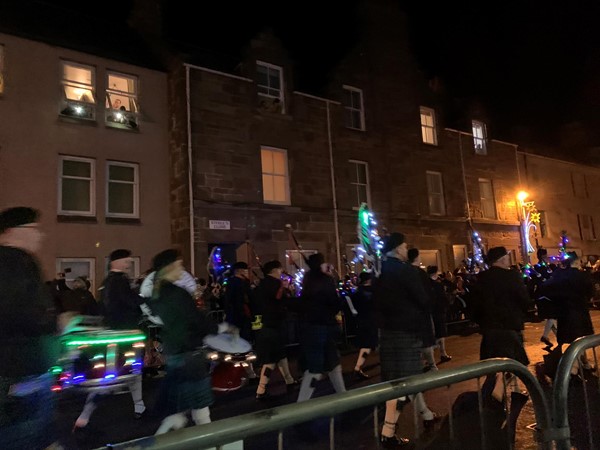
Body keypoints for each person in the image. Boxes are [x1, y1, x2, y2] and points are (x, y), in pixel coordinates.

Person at [0, 207, 60, 449]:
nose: (40, 235)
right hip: (21, 369)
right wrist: (56, 321)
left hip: (19, 368)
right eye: (34, 229)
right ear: (12, 232)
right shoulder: (14, 263)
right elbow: (21, 312)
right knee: (25, 433)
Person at [374, 233, 437, 448]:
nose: (405, 248)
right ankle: (387, 431)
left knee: (399, 382)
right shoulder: (407, 272)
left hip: (387, 333)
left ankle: (421, 416)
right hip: (407, 332)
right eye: (404, 245)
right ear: (398, 249)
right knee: (407, 383)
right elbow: (424, 300)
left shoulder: (380, 272)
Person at [73, 248, 147, 432]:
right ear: (116, 262)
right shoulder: (120, 282)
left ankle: (139, 407)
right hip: (125, 335)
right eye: (126, 261)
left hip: (112, 334)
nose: (129, 264)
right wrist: (146, 303)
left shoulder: (106, 282)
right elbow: (130, 302)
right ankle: (86, 416)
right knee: (125, 371)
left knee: (115, 373)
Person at [147, 249, 219, 434]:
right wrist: (216, 329)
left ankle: (168, 433)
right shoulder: (177, 293)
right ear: (169, 267)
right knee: (199, 408)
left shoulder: (158, 293)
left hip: (175, 352)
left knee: (184, 408)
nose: (182, 268)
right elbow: (195, 320)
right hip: (190, 353)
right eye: (179, 264)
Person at [470, 246, 530, 404]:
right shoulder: (512, 276)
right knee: (513, 363)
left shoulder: (482, 278)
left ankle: (503, 393)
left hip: (489, 328)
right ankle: (498, 393)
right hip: (509, 325)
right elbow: (523, 299)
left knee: (494, 363)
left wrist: (480, 321)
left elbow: (474, 305)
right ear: (502, 259)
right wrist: (525, 311)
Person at [296, 253, 346, 402]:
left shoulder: (308, 279)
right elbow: (333, 302)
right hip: (323, 326)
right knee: (318, 366)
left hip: (312, 326)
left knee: (332, 363)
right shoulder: (326, 280)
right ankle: (301, 404)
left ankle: (343, 395)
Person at [252, 260, 298, 400]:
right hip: (273, 324)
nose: (281, 272)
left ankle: (289, 380)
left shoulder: (260, 285)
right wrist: (286, 289)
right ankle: (261, 389)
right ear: (274, 270)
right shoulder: (276, 284)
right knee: (271, 358)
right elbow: (281, 300)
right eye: (279, 269)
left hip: (262, 324)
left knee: (280, 354)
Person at [350, 271, 378, 380]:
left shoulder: (357, 292)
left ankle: (358, 367)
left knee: (367, 345)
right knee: (367, 346)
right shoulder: (373, 292)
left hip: (362, 321)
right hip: (372, 321)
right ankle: (357, 367)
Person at [427, 266, 452, 364]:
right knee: (440, 334)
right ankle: (442, 353)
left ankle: (431, 357)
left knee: (433, 333)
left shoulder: (425, 285)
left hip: (430, 312)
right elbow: (443, 299)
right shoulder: (438, 285)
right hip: (438, 311)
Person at [223, 261, 254, 342]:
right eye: (246, 270)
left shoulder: (232, 282)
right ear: (241, 271)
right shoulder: (240, 283)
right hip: (240, 312)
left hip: (235, 313)